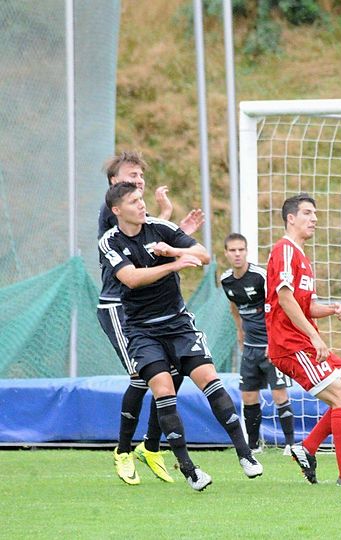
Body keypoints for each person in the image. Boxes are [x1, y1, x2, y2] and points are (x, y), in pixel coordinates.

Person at [99, 181, 262, 491]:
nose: (141, 204)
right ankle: (189, 470)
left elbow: (200, 254)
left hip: (178, 324)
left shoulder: (159, 226)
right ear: (117, 210)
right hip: (142, 330)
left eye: (141, 199)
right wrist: (173, 265)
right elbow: (131, 278)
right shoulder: (110, 241)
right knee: (162, 388)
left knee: (209, 378)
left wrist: (174, 250)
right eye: (134, 201)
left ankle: (245, 455)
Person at [97, 151, 203, 485]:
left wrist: (173, 227)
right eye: (131, 177)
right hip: (120, 305)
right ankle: (124, 449)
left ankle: (152, 446)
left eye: (141, 177)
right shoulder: (111, 213)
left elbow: (150, 238)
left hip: (151, 310)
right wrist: (172, 255)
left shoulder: (136, 208)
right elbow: (133, 260)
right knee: (143, 375)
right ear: (115, 184)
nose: (138, 182)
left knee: (172, 373)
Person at [265, 194, 341, 487]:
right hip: (291, 345)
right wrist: (315, 336)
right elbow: (285, 298)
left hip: (305, 341)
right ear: (291, 218)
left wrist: (329, 309)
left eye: (315, 214)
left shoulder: (301, 256)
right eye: (307, 213)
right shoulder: (284, 250)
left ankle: (307, 447)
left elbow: (305, 305)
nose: (314, 219)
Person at [221, 233, 297, 454]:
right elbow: (234, 308)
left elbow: (277, 308)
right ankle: (254, 446)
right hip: (251, 348)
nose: (237, 254)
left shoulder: (260, 277)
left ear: (246, 252)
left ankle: (291, 444)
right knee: (249, 396)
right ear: (226, 253)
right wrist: (239, 331)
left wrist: (273, 342)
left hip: (272, 346)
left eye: (241, 250)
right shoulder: (226, 280)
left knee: (279, 394)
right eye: (232, 250)